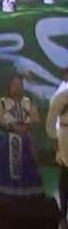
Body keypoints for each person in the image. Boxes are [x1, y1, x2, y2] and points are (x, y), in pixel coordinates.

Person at [0, 74, 44, 203]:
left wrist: (27, 126)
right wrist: (10, 126)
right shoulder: (2, 103)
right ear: (9, 86)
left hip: (26, 142)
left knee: (27, 169)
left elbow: (36, 120)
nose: (17, 87)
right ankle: (6, 196)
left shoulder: (28, 102)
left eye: (20, 85)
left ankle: (27, 197)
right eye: (14, 84)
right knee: (7, 170)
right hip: (8, 142)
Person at [45, 82, 68, 218]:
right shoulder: (61, 97)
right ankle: (63, 209)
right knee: (66, 171)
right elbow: (51, 121)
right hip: (65, 136)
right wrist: (54, 141)